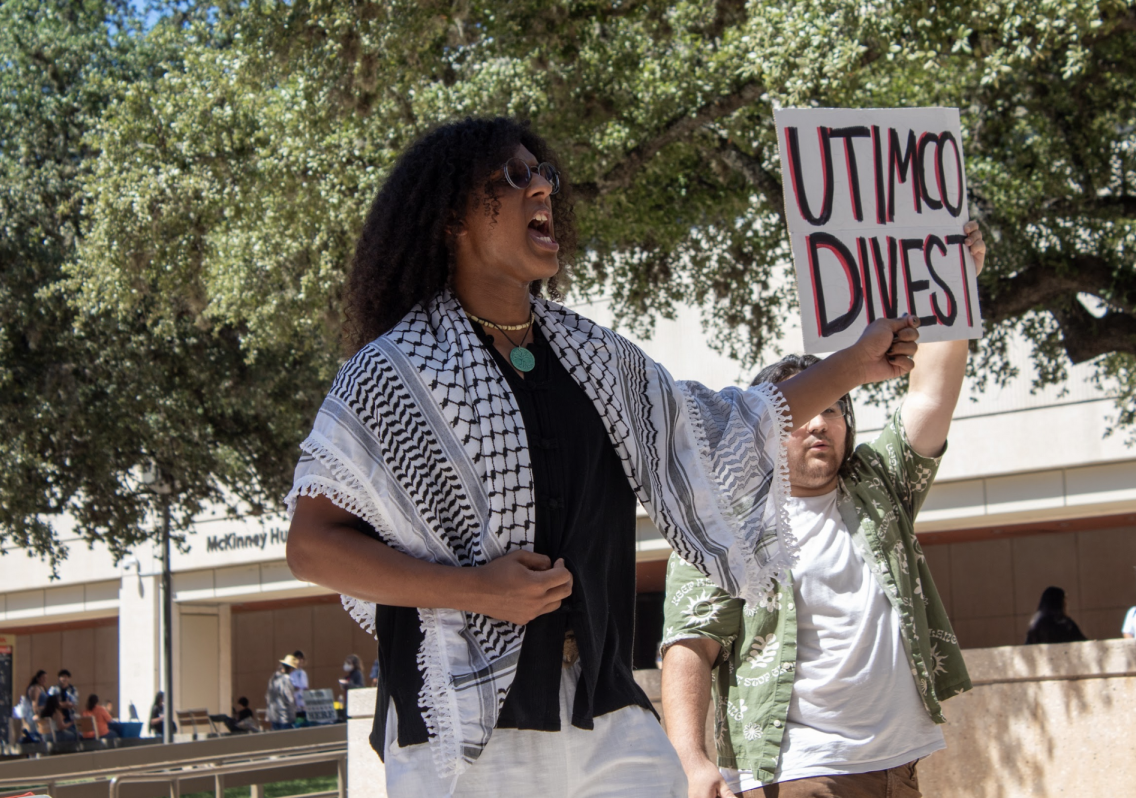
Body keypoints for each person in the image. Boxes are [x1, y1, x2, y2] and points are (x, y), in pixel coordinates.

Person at [284, 116, 921, 798]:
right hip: (464, 732)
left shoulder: (595, 359)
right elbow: (312, 545)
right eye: (515, 176)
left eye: (545, 174)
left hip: (607, 715)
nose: (543, 191)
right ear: (450, 216)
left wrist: (853, 363)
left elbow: (729, 428)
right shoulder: (393, 374)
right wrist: (476, 590)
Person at [661, 221, 985, 798]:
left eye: (834, 409)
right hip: (797, 771)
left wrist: (954, 286)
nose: (817, 422)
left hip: (900, 763)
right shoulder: (723, 521)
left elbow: (931, 394)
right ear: (765, 431)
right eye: (800, 412)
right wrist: (691, 759)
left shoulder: (879, 486)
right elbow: (691, 643)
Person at [267, 654, 298, 731]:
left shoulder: (274, 678)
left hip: (273, 714)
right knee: (287, 740)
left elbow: (268, 695)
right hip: (284, 717)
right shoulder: (286, 679)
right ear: (291, 668)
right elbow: (288, 698)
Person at [290, 649, 311, 722]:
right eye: (297, 659)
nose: (299, 661)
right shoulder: (291, 675)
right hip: (295, 705)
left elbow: (305, 687)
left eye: (301, 658)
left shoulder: (304, 674)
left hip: (304, 704)